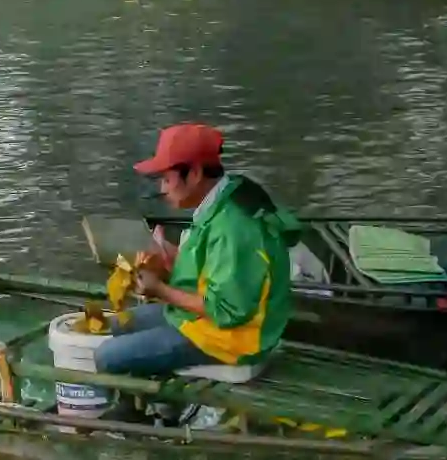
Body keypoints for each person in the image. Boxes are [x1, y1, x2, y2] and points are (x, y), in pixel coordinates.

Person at [94, 123, 299, 378]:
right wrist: (170, 259)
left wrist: (160, 290)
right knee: (115, 325)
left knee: (106, 355)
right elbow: (217, 265)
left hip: (234, 339)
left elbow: (227, 311)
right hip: (210, 320)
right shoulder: (226, 195)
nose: (162, 189)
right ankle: (154, 400)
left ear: (194, 173)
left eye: (167, 179)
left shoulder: (234, 227)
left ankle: (134, 410)